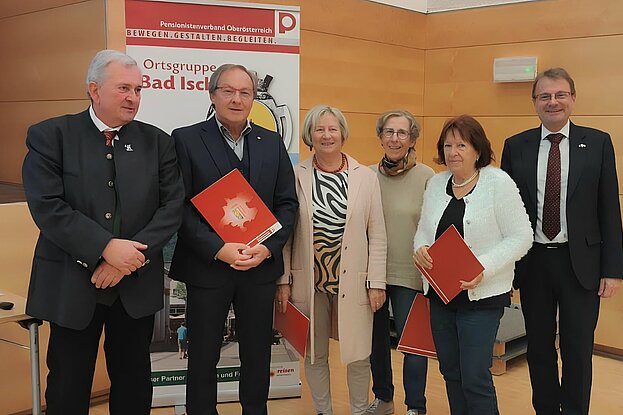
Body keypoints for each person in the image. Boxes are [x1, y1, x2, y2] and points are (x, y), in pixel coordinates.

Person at [21, 49, 184, 415]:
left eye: (138, 89)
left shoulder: (157, 142)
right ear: (94, 90)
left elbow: (172, 207)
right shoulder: (51, 136)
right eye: (123, 88)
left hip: (134, 285)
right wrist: (105, 248)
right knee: (67, 385)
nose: (133, 97)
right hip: (72, 284)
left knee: (133, 384)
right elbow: (48, 207)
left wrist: (127, 259)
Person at [169, 63, 298, 415]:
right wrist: (218, 249)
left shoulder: (271, 142)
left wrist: (267, 248)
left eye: (245, 92)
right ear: (212, 95)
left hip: (259, 267)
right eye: (228, 91)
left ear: (254, 98)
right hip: (207, 267)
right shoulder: (185, 139)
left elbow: (287, 204)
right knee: (203, 354)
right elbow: (178, 205)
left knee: (257, 353)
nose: (237, 99)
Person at [501, 67, 623, 415]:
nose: (552, 102)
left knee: (578, 349)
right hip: (534, 262)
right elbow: (506, 211)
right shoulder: (516, 145)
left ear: (573, 98)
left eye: (560, 95)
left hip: (581, 264)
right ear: (534, 102)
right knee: (539, 348)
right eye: (544, 96)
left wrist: (613, 269)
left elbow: (609, 207)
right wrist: (506, 269)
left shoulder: (598, 142)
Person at [413, 115, 532, 415]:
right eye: (448, 145)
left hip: (482, 299)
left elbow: (522, 237)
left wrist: (483, 268)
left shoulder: (498, 183)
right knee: (451, 372)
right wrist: (419, 249)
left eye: (461, 145)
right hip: (441, 296)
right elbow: (424, 231)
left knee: (475, 377)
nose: (453, 152)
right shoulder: (436, 183)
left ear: (477, 150)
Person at [276, 105, 387, 415]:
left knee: (359, 354)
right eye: (320, 129)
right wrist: (283, 280)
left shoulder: (366, 177)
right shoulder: (295, 176)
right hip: (310, 282)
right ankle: (323, 410)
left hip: (355, 281)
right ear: (310, 135)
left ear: (342, 134)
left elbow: (377, 233)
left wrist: (377, 282)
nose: (327, 135)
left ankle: (359, 410)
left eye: (332, 129)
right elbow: (286, 233)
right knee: (315, 353)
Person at [366, 110, 434, 415]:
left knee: (414, 346)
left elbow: (435, 226)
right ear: (380, 137)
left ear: (412, 139)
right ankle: (383, 399)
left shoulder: (427, 176)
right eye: (389, 132)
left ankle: (416, 406)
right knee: (376, 343)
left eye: (402, 133)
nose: (395, 139)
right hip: (374, 274)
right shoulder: (366, 176)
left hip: (412, 274)